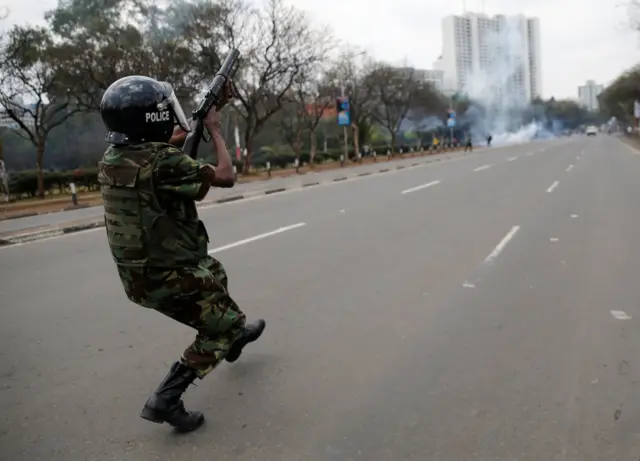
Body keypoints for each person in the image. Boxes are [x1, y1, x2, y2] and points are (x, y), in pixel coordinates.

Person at [97, 75, 266, 433]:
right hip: (167, 274)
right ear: (152, 119)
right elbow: (225, 176)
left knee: (213, 271)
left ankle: (232, 338)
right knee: (221, 328)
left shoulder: (113, 159)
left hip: (140, 275)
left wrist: (201, 116)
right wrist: (215, 129)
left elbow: (164, 148)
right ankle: (167, 399)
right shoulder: (162, 163)